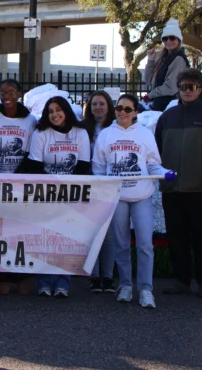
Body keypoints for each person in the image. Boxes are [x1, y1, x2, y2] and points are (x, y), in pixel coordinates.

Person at [92, 93, 175, 309]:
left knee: (145, 244)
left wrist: (165, 172)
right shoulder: (106, 135)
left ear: (136, 112)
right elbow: (99, 168)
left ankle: (146, 289)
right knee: (121, 244)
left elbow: (153, 164)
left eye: (128, 109)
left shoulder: (145, 134)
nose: (122, 112)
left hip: (141, 196)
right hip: (117, 198)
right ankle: (126, 285)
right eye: (119, 108)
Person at [155, 69, 202, 298]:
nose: (187, 91)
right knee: (176, 237)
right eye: (183, 86)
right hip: (172, 188)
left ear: (200, 89)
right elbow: (156, 149)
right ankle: (181, 281)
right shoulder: (167, 117)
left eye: (192, 87)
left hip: (200, 189)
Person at [24, 96, 91, 298]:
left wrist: (67, 190)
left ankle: (63, 283)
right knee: (44, 238)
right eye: (50, 111)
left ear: (67, 111)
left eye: (58, 110)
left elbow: (83, 166)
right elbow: (35, 167)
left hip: (71, 194)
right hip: (46, 193)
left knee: (66, 240)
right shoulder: (41, 133)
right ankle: (44, 283)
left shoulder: (80, 133)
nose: (55, 114)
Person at [0, 79, 37, 295]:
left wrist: (17, 180)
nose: (7, 96)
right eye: (2, 92)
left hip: (21, 184)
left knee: (22, 232)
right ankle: (0, 276)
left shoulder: (30, 121)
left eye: (11, 91)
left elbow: (32, 153)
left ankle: (22, 276)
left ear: (19, 93)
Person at [82, 91, 117, 293]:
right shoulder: (83, 128)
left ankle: (108, 276)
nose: (97, 107)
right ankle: (93, 276)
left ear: (109, 106)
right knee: (92, 232)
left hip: (109, 186)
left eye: (101, 103)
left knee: (109, 234)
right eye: (94, 104)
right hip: (90, 184)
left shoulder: (115, 128)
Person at [144, 19, 190, 111]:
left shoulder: (178, 59)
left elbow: (171, 87)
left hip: (171, 106)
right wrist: (151, 59)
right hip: (160, 105)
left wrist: (151, 95)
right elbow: (148, 80)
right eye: (165, 38)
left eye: (172, 38)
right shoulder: (163, 58)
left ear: (178, 40)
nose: (168, 41)